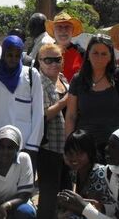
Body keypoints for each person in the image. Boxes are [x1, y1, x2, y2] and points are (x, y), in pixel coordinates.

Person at [65, 35, 119, 163]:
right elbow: (71, 115)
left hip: (118, 148)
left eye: (104, 53)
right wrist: (69, 147)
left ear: (111, 56)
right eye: (95, 53)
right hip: (85, 150)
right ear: (88, 54)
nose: (99, 57)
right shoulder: (78, 80)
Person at [0, 36, 44, 170]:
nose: (13, 59)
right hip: (2, 145)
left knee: (24, 185)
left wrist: (32, 146)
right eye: (9, 55)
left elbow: (38, 113)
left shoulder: (32, 76)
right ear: (3, 54)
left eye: (17, 55)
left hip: (25, 144)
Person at [36, 43, 71, 219]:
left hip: (67, 147)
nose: (53, 64)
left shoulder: (63, 79)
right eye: (48, 60)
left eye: (57, 59)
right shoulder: (39, 83)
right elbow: (43, 116)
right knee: (49, 197)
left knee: (65, 194)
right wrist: (65, 101)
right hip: (49, 147)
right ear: (40, 61)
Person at [0, 125, 36, 219]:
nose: (5, 151)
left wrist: (5, 206)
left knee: (25, 212)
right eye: (1, 147)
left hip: (17, 205)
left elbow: (24, 196)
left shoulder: (23, 159)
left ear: (17, 148)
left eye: (10, 147)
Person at [60, 130, 114, 219]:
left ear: (90, 153)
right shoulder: (75, 171)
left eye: (80, 154)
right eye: (70, 153)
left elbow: (91, 208)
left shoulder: (99, 174)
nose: (74, 158)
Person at [46, 12, 85, 82]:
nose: (63, 30)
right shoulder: (44, 53)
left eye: (67, 27)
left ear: (72, 31)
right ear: (53, 31)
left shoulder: (82, 53)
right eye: (59, 27)